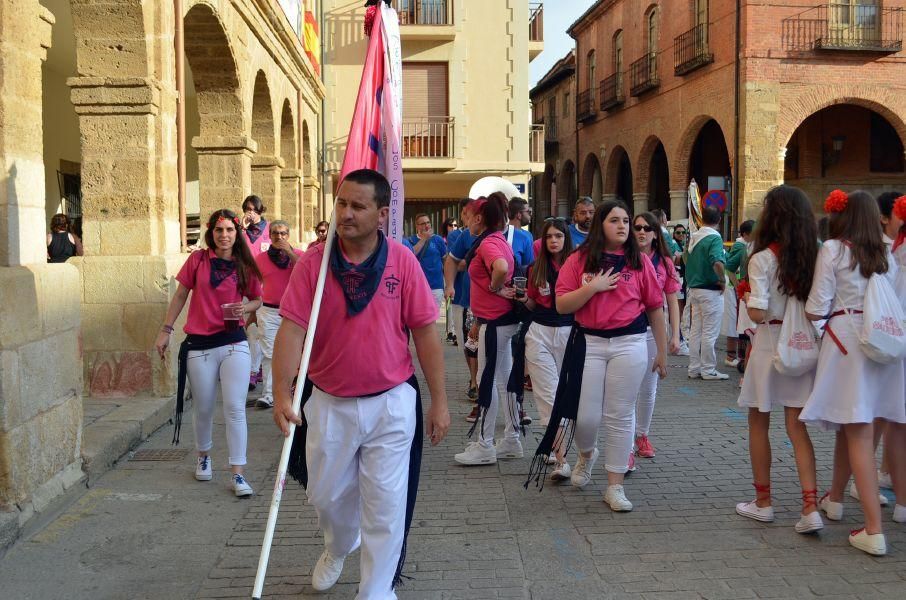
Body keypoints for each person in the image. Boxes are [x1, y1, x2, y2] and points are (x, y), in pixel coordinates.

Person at [271, 168, 450, 596]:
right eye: (341, 204)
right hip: (328, 402)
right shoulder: (314, 262)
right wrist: (280, 390)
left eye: (357, 206)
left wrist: (440, 400)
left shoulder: (402, 261)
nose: (346, 214)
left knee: (385, 507)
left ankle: (376, 590)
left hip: (391, 402)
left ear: (382, 214)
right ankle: (339, 544)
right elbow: (292, 329)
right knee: (326, 497)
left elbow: (425, 332)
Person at [529, 200, 668, 512]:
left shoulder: (639, 261)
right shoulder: (579, 259)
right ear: (600, 225)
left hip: (630, 343)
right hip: (588, 343)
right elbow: (562, 305)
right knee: (587, 416)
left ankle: (615, 486)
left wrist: (661, 352)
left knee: (620, 415)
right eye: (614, 220)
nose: (622, 226)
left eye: (626, 220)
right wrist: (594, 287)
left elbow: (655, 307)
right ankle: (586, 454)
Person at [802, 190, 905, 556]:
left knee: (858, 431)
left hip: (847, 342)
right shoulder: (885, 254)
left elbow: (816, 306)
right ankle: (835, 500)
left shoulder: (833, 249)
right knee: (854, 424)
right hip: (881, 342)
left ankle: (874, 530)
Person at [154, 209, 263, 497]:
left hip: (233, 342)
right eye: (219, 230)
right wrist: (166, 330)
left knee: (235, 408)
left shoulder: (244, 264)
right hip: (200, 345)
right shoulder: (198, 260)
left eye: (229, 230)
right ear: (211, 233)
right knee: (203, 407)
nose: (224, 235)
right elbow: (180, 295)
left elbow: (258, 299)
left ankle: (238, 473)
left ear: (237, 233)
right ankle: (204, 455)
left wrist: (246, 308)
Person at [733, 186, 823, 534]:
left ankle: (764, 502)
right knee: (797, 426)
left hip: (770, 343)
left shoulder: (761, 259)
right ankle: (810, 506)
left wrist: (747, 296)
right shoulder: (813, 257)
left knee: (758, 422)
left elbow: (756, 313)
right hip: (802, 346)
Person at [454, 192, 521, 465]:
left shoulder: (488, 244)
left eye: (467, 217)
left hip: (495, 323)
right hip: (497, 321)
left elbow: (502, 267)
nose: (465, 222)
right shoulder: (497, 239)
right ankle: (512, 440)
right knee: (504, 381)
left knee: (487, 380)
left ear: (478, 218)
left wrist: (494, 287)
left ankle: (485, 445)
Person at [516, 218, 574, 479]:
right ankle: (562, 459)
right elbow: (532, 305)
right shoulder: (534, 268)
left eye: (558, 236)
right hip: (539, 333)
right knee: (547, 396)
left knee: (568, 395)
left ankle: (557, 445)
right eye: (549, 236)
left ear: (566, 239)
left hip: (569, 333)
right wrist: (521, 297)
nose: (554, 241)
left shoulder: (577, 266)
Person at [632, 212, 681, 464]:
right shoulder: (624, 259)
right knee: (628, 388)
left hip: (654, 330)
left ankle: (642, 435)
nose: (641, 232)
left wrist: (675, 334)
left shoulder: (664, 262)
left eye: (647, 228)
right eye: (637, 227)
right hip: (628, 329)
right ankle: (626, 444)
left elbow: (671, 299)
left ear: (655, 233)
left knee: (648, 387)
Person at [252, 220, 303, 409]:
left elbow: (306, 271)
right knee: (269, 353)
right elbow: (254, 283)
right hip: (268, 311)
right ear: (270, 236)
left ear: (288, 235)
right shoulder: (261, 258)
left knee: (294, 353)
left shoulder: (298, 255)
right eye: (275, 233)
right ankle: (268, 394)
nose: (279, 237)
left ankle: (291, 389)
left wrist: (289, 253)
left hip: (293, 312)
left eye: (282, 233)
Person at [445, 200, 481, 416]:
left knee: (478, 344)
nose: (467, 219)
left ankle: (476, 382)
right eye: (465, 215)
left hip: (483, 301)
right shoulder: (457, 237)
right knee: (467, 345)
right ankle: (473, 376)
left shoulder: (491, 234)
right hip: (462, 296)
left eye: (471, 215)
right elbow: (452, 263)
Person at [684, 207, 728, 380]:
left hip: (694, 289)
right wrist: (723, 280)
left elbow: (686, 260)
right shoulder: (714, 238)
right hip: (710, 290)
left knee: (696, 331)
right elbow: (717, 262)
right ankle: (708, 369)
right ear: (718, 220)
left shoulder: (694, 237)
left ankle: (694, 368)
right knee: (710, 332)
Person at [241, 194, 269, 392]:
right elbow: (236, 250)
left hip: (265, 285)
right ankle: (253, 368)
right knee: (250, 328)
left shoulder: (269, 230)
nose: (250, 213)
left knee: (260, 328)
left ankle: (254, 369)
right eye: (247, 209)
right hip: (245, 284)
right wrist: (241, 228)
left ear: (259, 210)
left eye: (253, 209)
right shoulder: (241, 232)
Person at [722, 220, 755, 368]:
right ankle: (734, 357)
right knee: (739, 325)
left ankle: (739, 358)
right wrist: (738, 286)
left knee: (741, 325)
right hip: (738, 291)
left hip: (741, 291)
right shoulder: (742, 247)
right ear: (746, 234)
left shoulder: (745, 246)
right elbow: (729, 267)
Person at [404, 213, 448, 311]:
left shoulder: (438, 240)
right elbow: (411, 254)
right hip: (417, 286)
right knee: (417, 317)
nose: (427, 225)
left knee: (432, 319)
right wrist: (424, 238)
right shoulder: (410, 240)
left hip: (436, 286)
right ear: (417, 226)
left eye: (428, 222)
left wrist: (448, 285)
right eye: (423, 223)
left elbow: (446, 261)